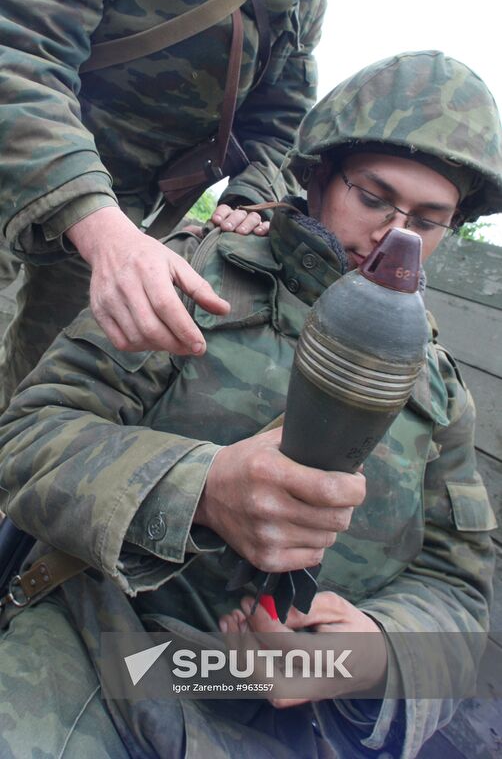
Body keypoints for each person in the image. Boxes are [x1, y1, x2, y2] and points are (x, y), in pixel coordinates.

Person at [0, 49, 499, 758]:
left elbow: (459, 589)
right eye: (374, 197)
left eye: (430, 218)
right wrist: (201, 487)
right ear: (321, 176)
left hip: (293, 716)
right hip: (109, 657)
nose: (396, 236)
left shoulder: (440, 387)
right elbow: (26, 440)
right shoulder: (195, 277)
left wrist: (370, 652)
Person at [0, 0, 428, 411]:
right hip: (36, 174)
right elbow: (19, 55)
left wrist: (253, 204)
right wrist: (102, 227)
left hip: (125, 218)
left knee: (36, 403)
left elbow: (282, 122)